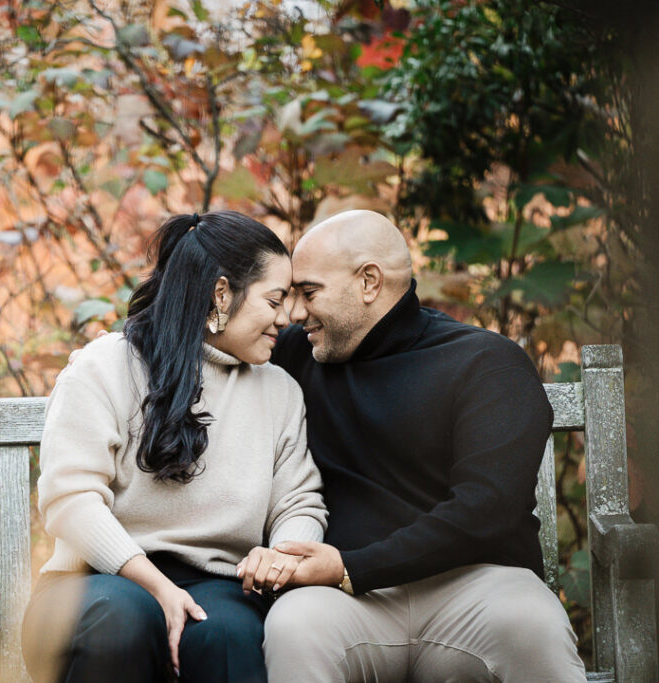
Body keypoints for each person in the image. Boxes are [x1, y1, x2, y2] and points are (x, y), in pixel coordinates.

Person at [238, 209, 586, 681]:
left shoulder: (486, 363)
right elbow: (202, 346)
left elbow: (487, 508)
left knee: (533, 624)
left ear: (369, 282)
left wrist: (349, 567)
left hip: (477, 588)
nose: (295, 312)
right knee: (294, 626)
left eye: (309, 292)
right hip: (345, 604)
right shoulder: (298, 353)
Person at [21, 210, 328, 683]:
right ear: (221, 294)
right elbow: (71, 501)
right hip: (92, 586)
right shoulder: (104, 367)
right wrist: (157, 586)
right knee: (124, 621)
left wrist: (284, 552)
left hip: (218, 586)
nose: (285, 318)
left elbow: (298, 498)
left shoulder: (279, 391)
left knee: (229, 637)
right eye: (274, 299)